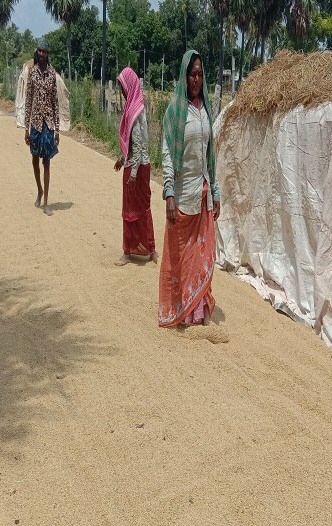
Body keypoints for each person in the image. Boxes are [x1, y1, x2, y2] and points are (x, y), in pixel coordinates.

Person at [158, 50, 221, 328]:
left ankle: (199, 311)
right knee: (181, 255)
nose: (196, 79)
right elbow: (168, 154)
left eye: (200, 74)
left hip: (203, 194)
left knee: (202, 253)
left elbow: (211, 155)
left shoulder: (205, 110)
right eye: (191, 74)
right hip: (182, 196)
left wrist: (215, 192)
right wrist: (169, 193)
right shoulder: (175, 112)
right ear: (184, 76)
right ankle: (179, 309)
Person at [113, 67, 157, 266]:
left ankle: (138, 250)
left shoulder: (135, 110)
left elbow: (138, 145)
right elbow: (131, 145)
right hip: (136, 165)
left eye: (123, 86)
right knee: (137, 209)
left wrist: (133, 173)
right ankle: (139, 249)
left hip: (137, 168)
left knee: (136, 209)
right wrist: (121, 159)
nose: (121, 91)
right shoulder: (134, 107)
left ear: (129, 86)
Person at [24, 38, 60, 216]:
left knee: (47, 161)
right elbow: (28, 99)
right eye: (40, 51)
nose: (42, 54)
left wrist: (58, 130)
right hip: (35, 123)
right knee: (34, 159)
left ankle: (46, 202)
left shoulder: (53, 74)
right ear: (37, 53)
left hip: (48, 123)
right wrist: (25, 128)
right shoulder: (32, 73)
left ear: (48, 54)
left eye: (45, 52)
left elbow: (56, 102)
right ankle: (39, 189)